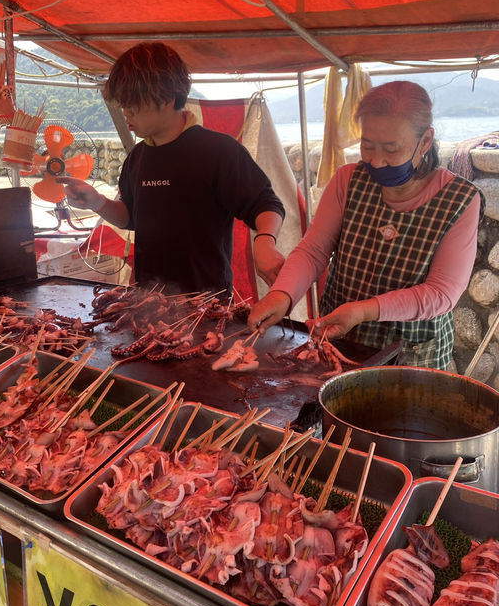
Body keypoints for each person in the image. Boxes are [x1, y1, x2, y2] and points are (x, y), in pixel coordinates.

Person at [247, 80, 483, 370]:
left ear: (425, 141)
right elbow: (313, 251)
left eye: (391, 149)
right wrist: (282, 295)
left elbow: (441, 294)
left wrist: (364, 310)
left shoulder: (460, 199)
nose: (377, 161)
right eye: (367, 146)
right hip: (341, 340)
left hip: (414, 353)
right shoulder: (348, 179)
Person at [63, 42, 285, 294]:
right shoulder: (137, 157)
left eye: (133, 102)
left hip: (205, 304)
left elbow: (267, 204)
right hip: (148, 302)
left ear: (167, 97)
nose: (126, 112)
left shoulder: (217, 151)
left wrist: (265, 242)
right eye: (123, 102)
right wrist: (96, 201)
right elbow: (129, 217)